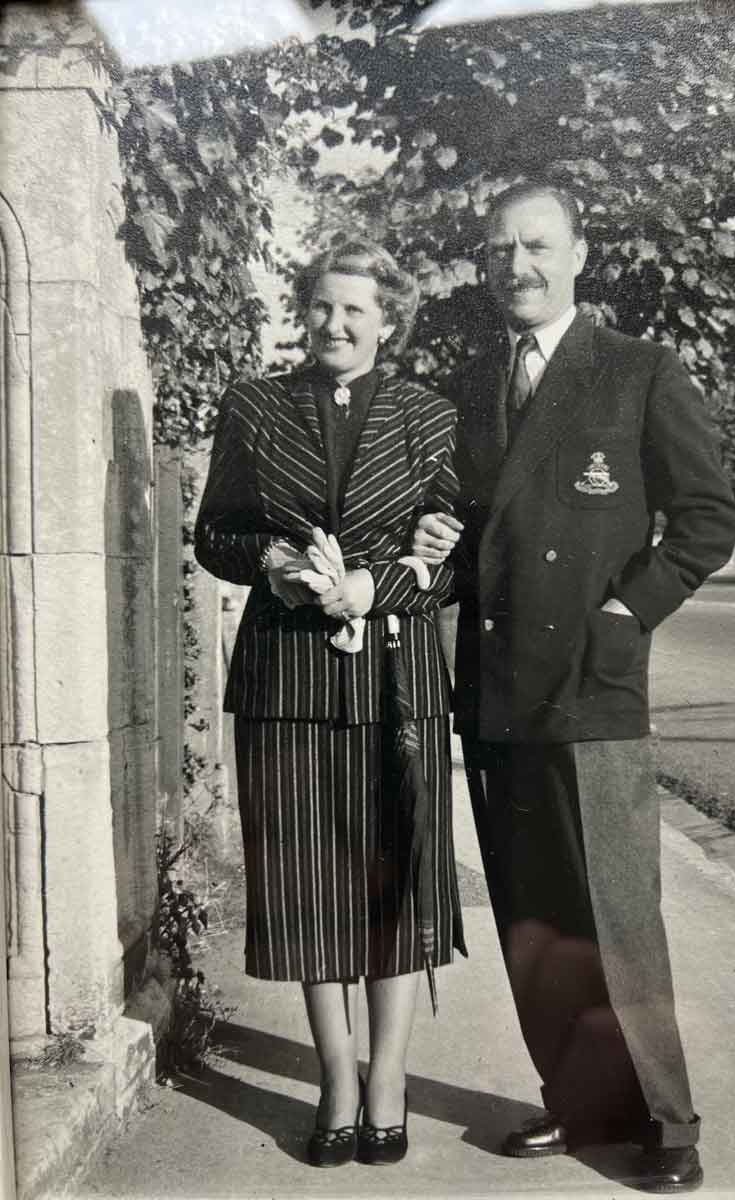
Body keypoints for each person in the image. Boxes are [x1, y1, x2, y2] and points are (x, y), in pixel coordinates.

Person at [414, 181, 735, 1193]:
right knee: (536, 913)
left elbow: (705, 519)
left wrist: (623, 614)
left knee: (618, 912)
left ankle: (670, 1123)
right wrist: (440, 545)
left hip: (592, 685)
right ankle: (579, 1101)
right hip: (502, 684)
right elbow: (478, 536)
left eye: (539, 245)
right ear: (485, 261)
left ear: (579, 254)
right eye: (502, 248)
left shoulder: (637, 371)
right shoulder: (468, 386)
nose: (520, 265)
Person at [195, 238, 466, 1169]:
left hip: (396, 681)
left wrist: (378, 588)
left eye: (356, 309)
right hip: (287, 681)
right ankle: (337, 1078)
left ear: (389, 319)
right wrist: (269, 566)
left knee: (395, 877)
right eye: (321, 306)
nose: (336, 324)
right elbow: (216, 536)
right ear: (303, 312)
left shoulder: (430, 419)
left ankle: (389, 1080)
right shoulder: (254, 407)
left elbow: (453, 557)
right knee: (306, 882)